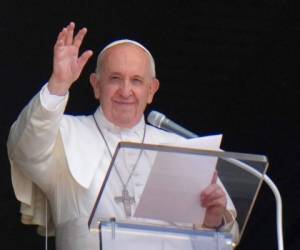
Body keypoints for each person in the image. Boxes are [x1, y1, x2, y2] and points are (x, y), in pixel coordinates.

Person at [7, 22, 238, 250]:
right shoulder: (65, 133)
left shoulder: (179, 147)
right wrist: (58, 84)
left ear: (151, 91)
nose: (126, 91)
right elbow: (25, 147)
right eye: (115, 78)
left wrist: (213, 222)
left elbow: (225, 239)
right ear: (96, 85)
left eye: (136, 81)